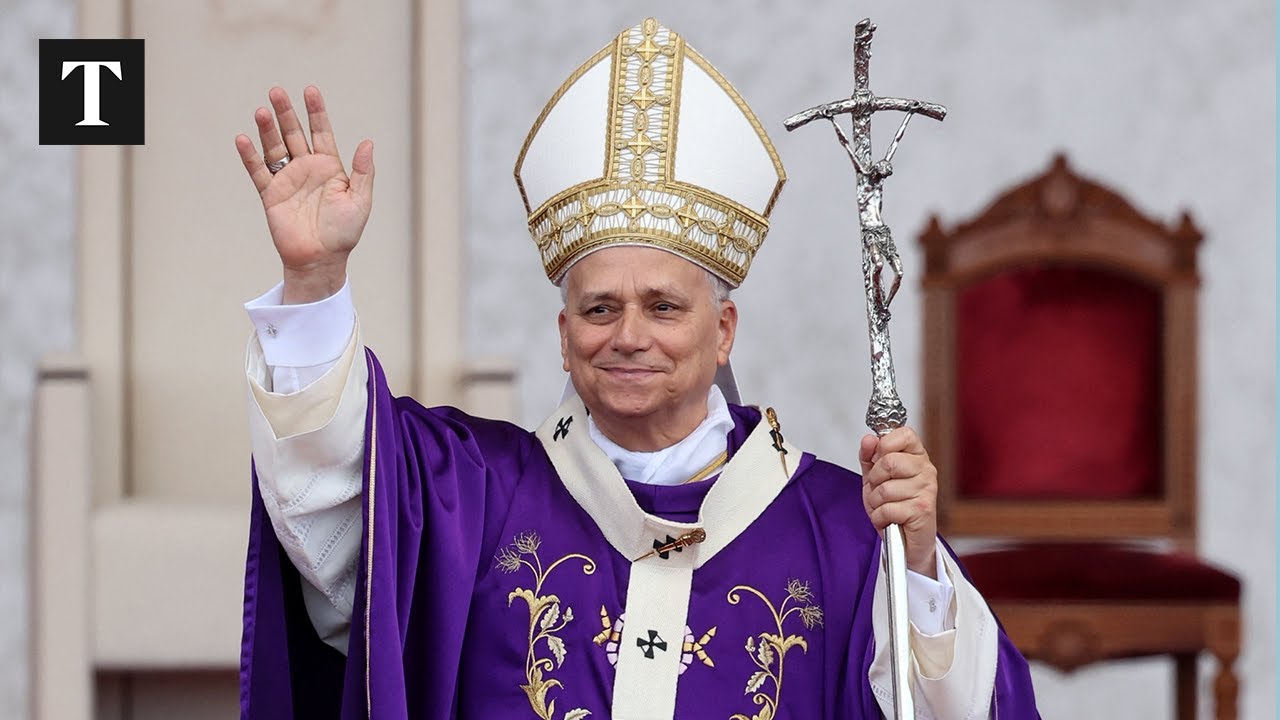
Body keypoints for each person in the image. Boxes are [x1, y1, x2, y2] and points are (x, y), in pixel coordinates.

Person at [233, 17, 1040, 720]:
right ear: (562, 332)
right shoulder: (472, 495)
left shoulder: (840, 528)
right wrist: (315, 279)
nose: (627, 335)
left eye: (662, 306)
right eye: (598, 308)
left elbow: (956, 709)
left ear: (723, 330)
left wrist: (921, 563)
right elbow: (334, 503)